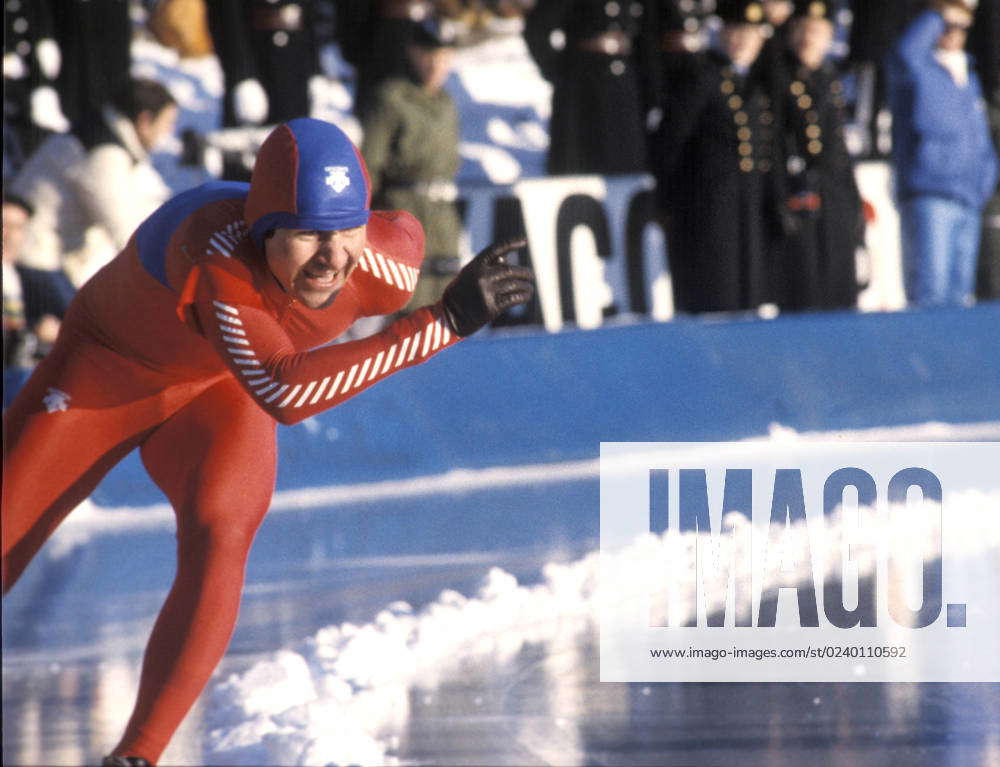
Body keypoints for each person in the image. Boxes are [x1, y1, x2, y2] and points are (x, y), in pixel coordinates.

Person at [1, 116, 533, 767]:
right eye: (308, 233)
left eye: (346, 230)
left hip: (220, 385)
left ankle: (137, 756)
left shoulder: (388, 257)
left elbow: (280, 372)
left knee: (222, 530)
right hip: (106, 369)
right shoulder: (217, 253)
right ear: (262, 232)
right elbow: (286, 392)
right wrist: (441, 323)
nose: (333, 259)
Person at [651, 0, 779, 313]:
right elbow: (670, 141)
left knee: (746, 299)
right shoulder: (703, 76)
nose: (741, 41)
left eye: (749, 34)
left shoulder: (752, 83)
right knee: (716, 298)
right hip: (708, 209)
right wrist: (668, 200)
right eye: (734, 32)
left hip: (744, 209)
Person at [8, 78, 178, 288]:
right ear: (144, 121)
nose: (169, 131)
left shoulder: (100, 131)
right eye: (168, 122)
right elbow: (127, 231)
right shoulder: (104, 155)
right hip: (37, 258)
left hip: (42, 252)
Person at [886, 0, 998, 307]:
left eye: (962, 27)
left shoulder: (967, 76)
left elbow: (980, 139)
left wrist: (983, 184)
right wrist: (938, 14)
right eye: (947, 26)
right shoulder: (917, 70)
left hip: (967, 198)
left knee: (959, 294)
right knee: (929, 290)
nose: (953, 34)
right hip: (930, 194)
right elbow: (906, 52)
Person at [767, 0, 865, 310]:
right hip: (800, 188)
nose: (809, 39)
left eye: (817, 32)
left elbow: (837, 145)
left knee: (839, 283)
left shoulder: (828, 78)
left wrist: (854, 201)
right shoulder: (781, 75)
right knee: (804, 286)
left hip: (833, 188)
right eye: (803, 30)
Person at [361, 18, 464, 308]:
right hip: (404, 211)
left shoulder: (447, 103)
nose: (435, 64)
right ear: (413, 53)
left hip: (442, 216)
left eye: (444, 56)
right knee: (406, 304)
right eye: (429, 54)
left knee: (446, 305)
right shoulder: (392, 98)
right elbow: (369, 165)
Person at [524, 0, 659, 175]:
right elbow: (536, 30)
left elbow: (645, 38)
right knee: (578, 164)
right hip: (582, 89)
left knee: (626, 166)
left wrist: (650, 87)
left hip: (624, 86)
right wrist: (562, 74)